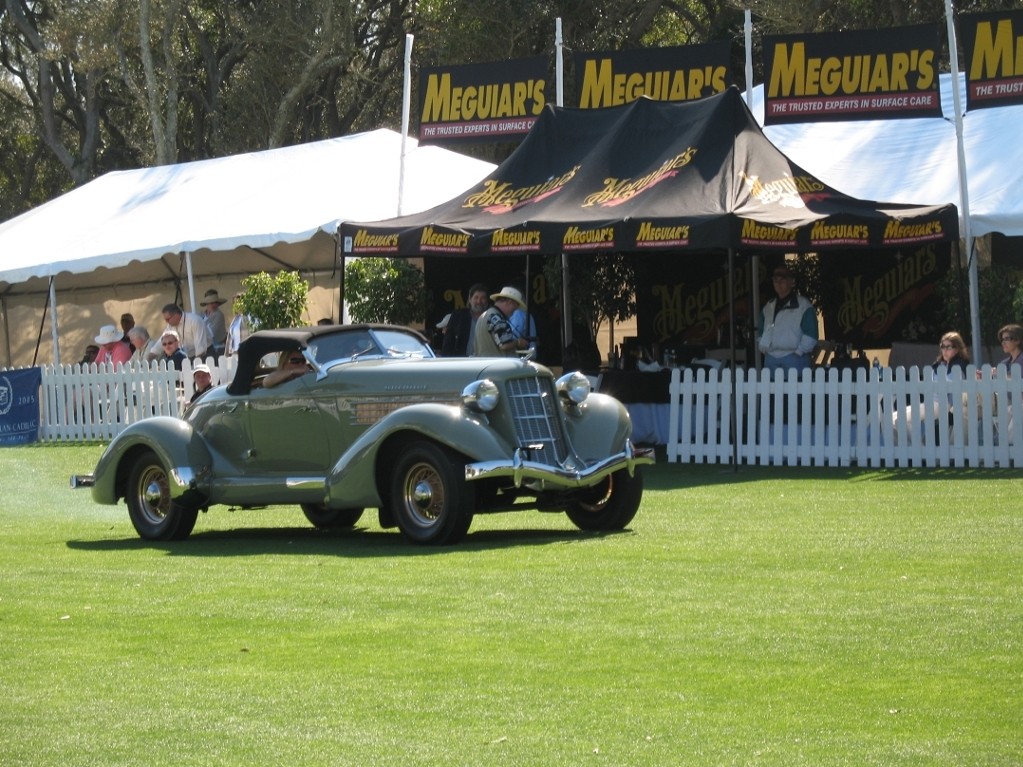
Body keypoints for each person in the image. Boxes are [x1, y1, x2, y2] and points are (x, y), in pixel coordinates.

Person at [894, 331, 970, 444]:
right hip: (931, 402)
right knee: (891, 418)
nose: (944, 350)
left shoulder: (958, 366)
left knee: (900, 420)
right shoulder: (939, 365)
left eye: (948, 347)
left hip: (943, 404)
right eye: (942, 347)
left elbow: (948, 387)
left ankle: (919, 450)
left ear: (957, 349)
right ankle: (908, 450)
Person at [757, 265, 819, 374]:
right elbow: (760, 328)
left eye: (782, 280)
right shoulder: (769, 306)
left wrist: (799, 352)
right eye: (775, 280)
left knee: (796, 390)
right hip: (771, 358)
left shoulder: (803, 305)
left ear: (791, 282)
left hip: (794, 359)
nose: (778, 283)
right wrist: (763, 346)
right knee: (771, 390)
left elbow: (811, 334)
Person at [472, 286, 523, 357]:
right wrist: (519, 342)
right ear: (509, 302)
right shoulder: (496, 317)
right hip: (498, 366)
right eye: (514, 308)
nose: (513, 312)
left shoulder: (483, 316)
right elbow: (504, 345)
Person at [441, 283, 490, 357]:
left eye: (482, 298)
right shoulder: (458, 316)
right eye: (476, 297)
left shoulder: (491, 318)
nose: (479, 301)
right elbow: (448, 342)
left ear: (487, 301)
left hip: (484, 361)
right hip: (463, 362)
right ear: (470, 299)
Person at [200, 289, 228, 357]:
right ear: (207, 303)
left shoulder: (218, 315)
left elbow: (212, 333)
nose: (214, 304)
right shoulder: (201, 315)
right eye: (211, 302)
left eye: (216, 302)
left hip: (219, 347)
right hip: (206, 348)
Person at [225, 293, 250, 357]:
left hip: (246, 352)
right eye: (235, 303)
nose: (236, 305)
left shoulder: (250, 317)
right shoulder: (236, 319)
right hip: (234, 353)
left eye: (238, 303)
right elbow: (230, 338)